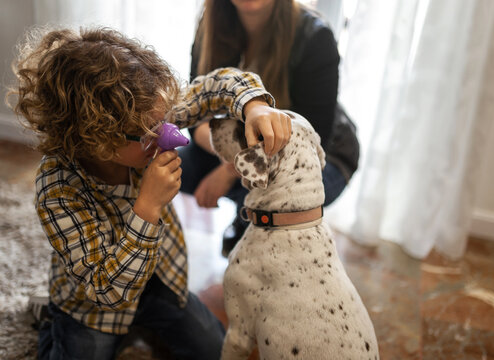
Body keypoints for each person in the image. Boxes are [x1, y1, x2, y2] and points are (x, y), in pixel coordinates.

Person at [7, 26, 290, 360]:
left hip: (161, 281)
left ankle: (138, 333)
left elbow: (218, 85)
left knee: (215, 350)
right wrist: (148, 206)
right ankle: (52, 320)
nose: (166, 136)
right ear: (96, 140)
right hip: (93, 309)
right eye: (149, 134)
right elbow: (107, 291)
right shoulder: (57, 188)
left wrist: (253, 106)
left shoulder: (145, 116)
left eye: (164, 123)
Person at [179, 0, 360, 257]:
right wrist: (229, 160)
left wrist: (230, 170)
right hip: (244, 144)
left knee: (272, 193)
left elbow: (308, 142)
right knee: (174, 165)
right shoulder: (211, 24)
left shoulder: (315, 36)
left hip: (323, 155)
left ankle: (251, 222)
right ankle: (247, 214)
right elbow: (196, 116)